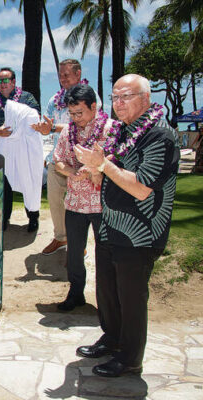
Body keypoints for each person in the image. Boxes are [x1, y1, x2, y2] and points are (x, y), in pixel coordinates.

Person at [73, 74, 179, 378]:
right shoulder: (122, 130)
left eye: (126, 97)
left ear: (145, 99)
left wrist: (102, 165)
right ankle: (112, 337)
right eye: (115, 97)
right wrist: (92, 170)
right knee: (108, 290)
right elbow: (112, 169)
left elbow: (142, 188)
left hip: (141, 233)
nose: (119, 104)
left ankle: (131, 357)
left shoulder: (161, 135)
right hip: (111, 227)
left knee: (131, 297)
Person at [52, 84, 118, 311]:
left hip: (103, 204)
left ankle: (107, 299)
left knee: (106, 253)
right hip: (75, 203)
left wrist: (94, 169)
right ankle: (75, 293)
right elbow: (58, 160)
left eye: (79, 112)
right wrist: (70, 172)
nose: (75, 118)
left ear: (94, 106)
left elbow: (116, 162)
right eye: (71, 114)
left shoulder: (111, 128)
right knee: (74, 253)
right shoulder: (67, 132)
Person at [32, 59, 101, 255]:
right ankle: (61, 238)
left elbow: (89, 122)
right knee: (55, 202)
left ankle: (79, 245)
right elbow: (48, 127)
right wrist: (44, 129)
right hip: (58, 159)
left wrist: (52, 128)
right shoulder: (54, 100)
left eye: (66, 74)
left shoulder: (90, 96)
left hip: (83, 162)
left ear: (78, 74)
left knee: (82, 206)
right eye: (60, 75)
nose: (62, 78)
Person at [0, 67, 40, 231]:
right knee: (3, 185)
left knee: (28, 182)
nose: (2, 84)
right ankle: (4, 219)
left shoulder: (26, 98)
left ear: (14, 82)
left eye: (5, 80)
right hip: (1, 150)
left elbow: (35, 115)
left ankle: (33, 218)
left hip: (24, 149)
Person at [0, 99, 43, 231]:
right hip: (11, 154)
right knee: (5, 187)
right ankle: (4, 219)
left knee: (30, 185)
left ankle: (33, 217)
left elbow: (34, 118)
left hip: (28, 156)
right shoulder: (7, 135)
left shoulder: (28, 107)